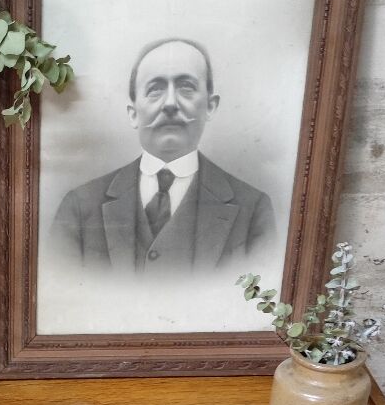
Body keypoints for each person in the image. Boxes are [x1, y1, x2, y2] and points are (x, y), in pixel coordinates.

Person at [51, 38, 275, 276]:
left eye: (186, 87)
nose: (170, 103)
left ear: (210, 106)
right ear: (133, 113)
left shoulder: (253, 210)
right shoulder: (79, 207)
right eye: (155, 89)